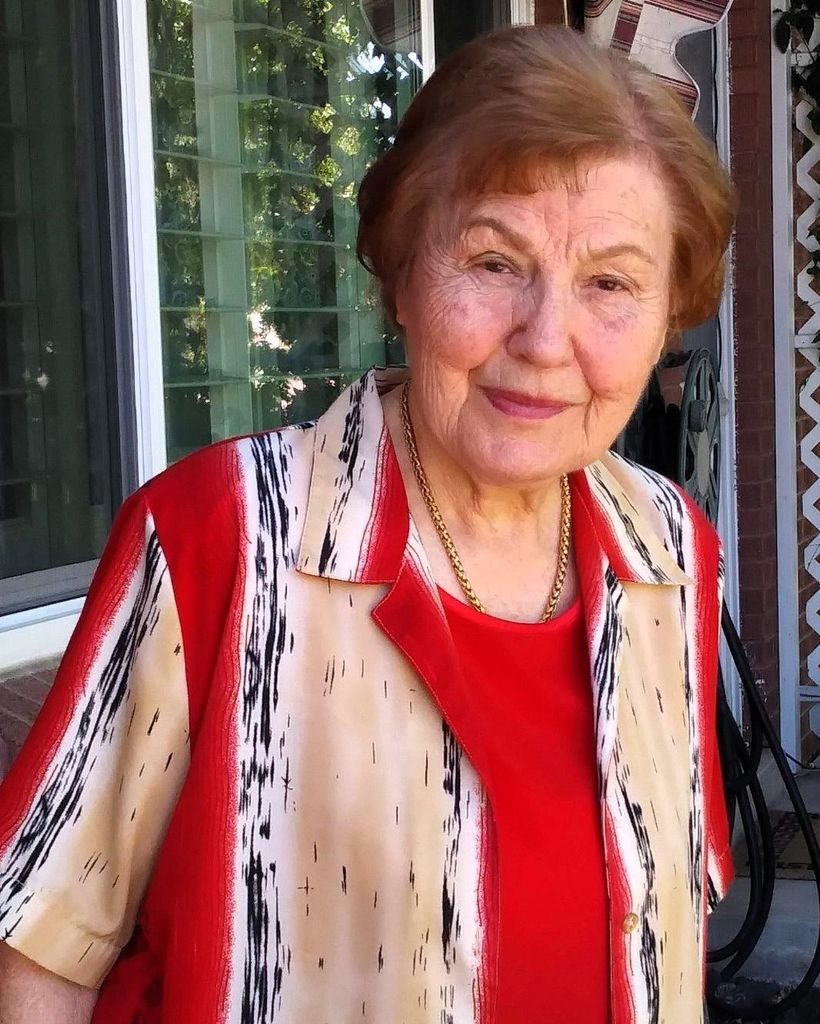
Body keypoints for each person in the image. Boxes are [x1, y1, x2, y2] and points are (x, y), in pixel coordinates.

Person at [0, 24, 735, 1024]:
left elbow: (664, 927)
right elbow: (41, 951)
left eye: (609, 282)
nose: (544, 338)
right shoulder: (221, 536)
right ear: (401, 275)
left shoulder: (670, 549)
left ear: (666, 320)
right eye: (493, 261)